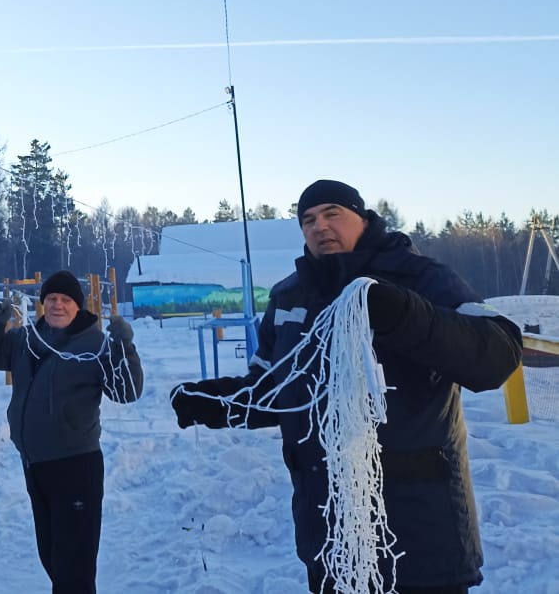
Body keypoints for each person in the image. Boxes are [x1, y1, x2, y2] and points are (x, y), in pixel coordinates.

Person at [170, 179, 523, 593]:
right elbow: (274, 389)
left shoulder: (421, 278)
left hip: (421, 539)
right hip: (331, 542)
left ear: (363, 218)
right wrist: (218, 403)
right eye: (308, 220)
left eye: (332, 213)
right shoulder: (289, 295)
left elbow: (498, 354)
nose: (319, 226)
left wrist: (405, 315)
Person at [0, 270, 144, 593]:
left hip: (76, 467)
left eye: (66, 300)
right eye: (51, 298)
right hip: (36, 466)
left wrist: (125, 347)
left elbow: (127, 390)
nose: (57, 305)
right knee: (52, 556)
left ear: (77, 306)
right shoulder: (27, 339)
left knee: (74, 567)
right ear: (43, 303)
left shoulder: (97, 344)